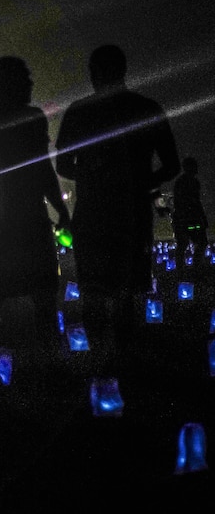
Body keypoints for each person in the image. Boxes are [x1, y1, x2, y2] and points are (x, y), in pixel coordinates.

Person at [55, 44, 180, 374]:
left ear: (93, 73)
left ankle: (99, 360)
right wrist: (139, 182)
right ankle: (124, 359)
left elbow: (63, 165)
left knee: (94, 289)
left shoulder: (80, 111)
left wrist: (95, 177)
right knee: (126, 289)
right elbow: (171, 166)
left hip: (94, 212)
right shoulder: (146, 108)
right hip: (132, 212)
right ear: (122, 71)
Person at [0, 57, 71, 378]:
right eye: (26, 78)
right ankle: (49, 364)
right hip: (27, 219)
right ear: (10, 82)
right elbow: (42, 168)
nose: (31, 83)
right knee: (43, 297)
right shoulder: (31, 118)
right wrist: (61, 210)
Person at [171, 156, 208, 269]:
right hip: (185, 219)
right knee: (183, 243)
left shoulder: (195, 182)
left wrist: (202, 217)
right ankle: (181, 270)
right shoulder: (181, 183)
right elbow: (180, 202)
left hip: (193, 218)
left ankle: (195, 267)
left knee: (201, 242)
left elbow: (196, 201)